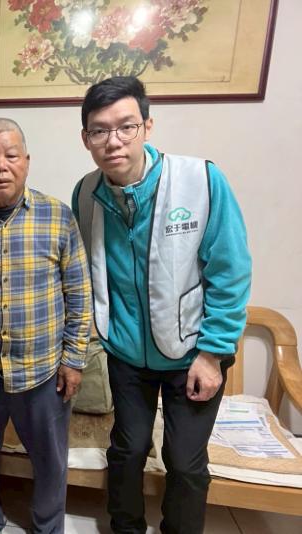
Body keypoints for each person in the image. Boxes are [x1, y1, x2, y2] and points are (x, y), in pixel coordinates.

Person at [72, 76, 252, 534]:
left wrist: (213, 353)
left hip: (194, 352)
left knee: (185, 461)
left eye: (126, 126)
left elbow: (230, 271)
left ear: (147, 127)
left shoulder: (199, 181)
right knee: (127, 449)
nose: (113, 141)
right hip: (127, 355)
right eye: (99, 130)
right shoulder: (86, 194)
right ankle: (126, 528)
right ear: (86, 138)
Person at [0, 118, 92, 533]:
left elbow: (79, 293)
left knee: (50, 459)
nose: (1, 166)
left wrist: (74, 359)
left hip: (42, 369)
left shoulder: (57, 216)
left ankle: (48, 527)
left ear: (27, 161)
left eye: (11, 155)